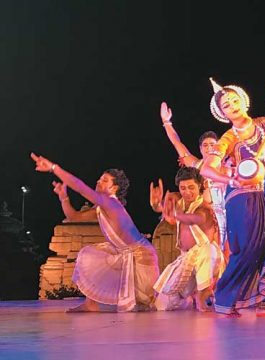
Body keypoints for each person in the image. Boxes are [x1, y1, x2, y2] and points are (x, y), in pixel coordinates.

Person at [188, 79, 265, 317]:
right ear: (223, 114)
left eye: (234, 100)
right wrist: (230, 180)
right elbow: (207, 168)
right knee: (249, 250)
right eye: (226, 105)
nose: (232, 105)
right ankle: (224, 298)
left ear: (243, 101)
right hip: (244, 197)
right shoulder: (228, 138)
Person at [30, 153, 159, 312]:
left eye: (105, 180)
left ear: (114, 188)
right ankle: (90, 303)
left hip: (142, 257)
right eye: (99, 178)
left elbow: (80, 187)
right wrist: (64, 198)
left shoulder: (111, 203)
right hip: (124, 253)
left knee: (149, 306)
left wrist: (53, 168)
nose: (98, 181)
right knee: (91, 254)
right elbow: (74, 217)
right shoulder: (101, 207)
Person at [151, 167, 225, 312]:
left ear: (200, 186)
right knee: (162, 304)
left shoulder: (204, 208)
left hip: (206, 256)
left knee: (207, 253)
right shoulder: (179, 202)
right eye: (183, 188)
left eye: (191, 187)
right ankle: (188, 297)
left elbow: (194, 219)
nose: (187, 192)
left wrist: (176, 214)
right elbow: (165, 211)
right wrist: (157, 205)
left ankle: (203, 295)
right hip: (186, 257)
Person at [156, 103, 228, 252]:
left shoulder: (227, 167)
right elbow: (177, 143)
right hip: (205, 216)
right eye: (205, 145)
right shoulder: (197, 165)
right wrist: (166, 122)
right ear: (200, 149)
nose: (209, 148)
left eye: (213, 145)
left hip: (228, 213)